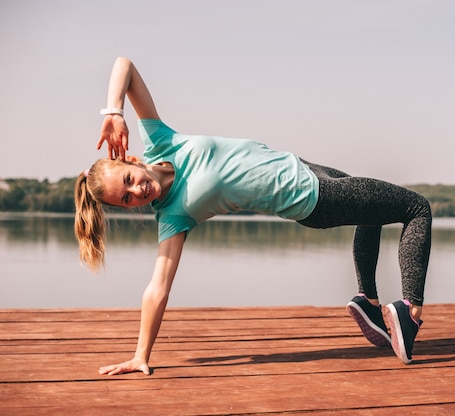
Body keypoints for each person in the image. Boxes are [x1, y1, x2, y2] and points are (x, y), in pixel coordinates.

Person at [75, 57, 432, 375]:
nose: (137, 192)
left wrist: (114, 112)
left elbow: (126, 66)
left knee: (372, 212)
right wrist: (140, 355)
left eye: (128, 181)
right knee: (416, 208)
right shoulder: (173, 215)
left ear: (131, 161)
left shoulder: (161, 140)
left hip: (303, 167)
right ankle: (408, 312)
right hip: (312, 197)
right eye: (126, 200)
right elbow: (157, 289)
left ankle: (367, 303)